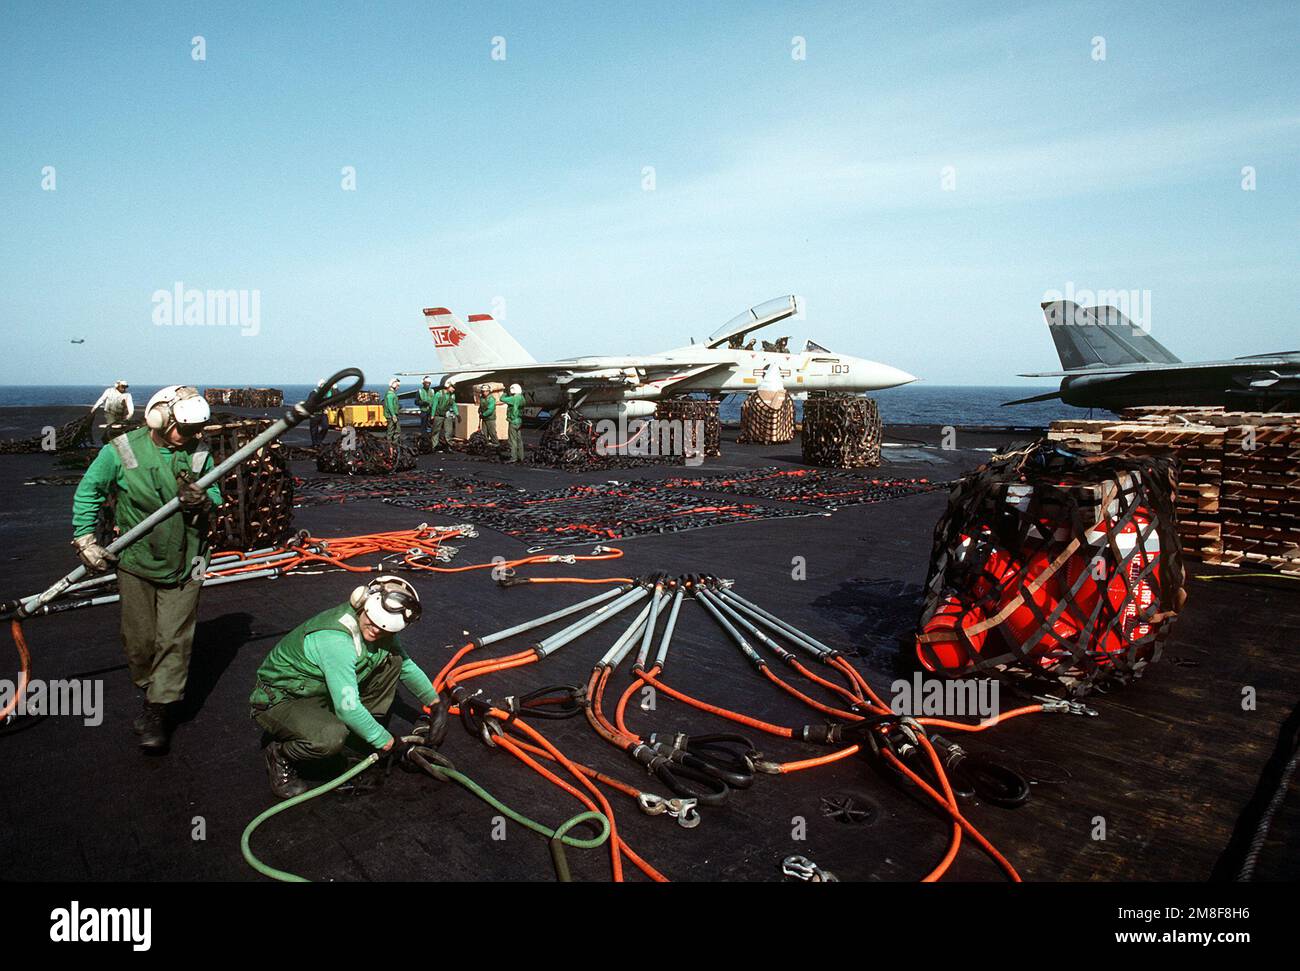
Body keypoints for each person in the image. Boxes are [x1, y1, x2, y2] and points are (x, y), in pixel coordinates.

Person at [71, 385, 222, 752]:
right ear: (159, 418)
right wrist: (86, 540)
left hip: (190, 560)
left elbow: (217, 498)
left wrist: (202, 502)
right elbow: (89, 492)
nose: (194, 436)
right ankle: (149, 684)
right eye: (185, 429)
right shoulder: (120, 450)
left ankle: (158, 709)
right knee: (139, 640)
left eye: (197, 429)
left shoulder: (200, 453)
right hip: (137, 560)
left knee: (175, 638)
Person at [249, 576, 448, 799]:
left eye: (384, 629)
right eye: (371, 622)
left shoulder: (381, 631)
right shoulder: (336, 640)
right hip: (282, 698)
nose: (375, 631)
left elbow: (406, 666)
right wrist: (389, 743)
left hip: (319, 691)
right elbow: (348, 707)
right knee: (330, 737)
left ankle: (359, 733)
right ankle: (280, 755)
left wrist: (436, 703)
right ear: (362, 602)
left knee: (393, 661)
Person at [500, 383, 526, 464]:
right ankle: (521, 457)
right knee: (519, 440)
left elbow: (502, 399)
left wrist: (504, 393)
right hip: (519, 420)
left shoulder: (513, 398)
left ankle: (513, 457)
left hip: (513, 421)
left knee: (512, 440)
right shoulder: (522, 398)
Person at [308, 378, 332, 448]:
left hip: (323, 413)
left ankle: (318, 441)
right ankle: (315, 443)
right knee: (314, 430)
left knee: (325, 426)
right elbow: (310, 403)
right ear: (320, 385)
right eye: (323, 384)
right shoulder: (313, 393)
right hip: (315, 413)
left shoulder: (325, 394)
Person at [477, 384, 498, 450]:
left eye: (486, 391)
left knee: (492, 432)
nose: (484, 393)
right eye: (483, 391)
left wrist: (483, 414)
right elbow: (481, 406)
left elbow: (490, 410)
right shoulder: (482, 398)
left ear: (489, 391)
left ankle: (496, 443)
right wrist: (479, 411)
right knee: (484, 432)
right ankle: (485, 443)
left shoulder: (491, 399)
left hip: (490, 418)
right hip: (484, 418)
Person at [416, 376, 436, 442]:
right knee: (423, 426)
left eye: (429, 383)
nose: (427, 384)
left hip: (431, 411)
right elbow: (416, 402)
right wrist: (423, 403)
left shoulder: (432, 391)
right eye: (426, 383)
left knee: (431, 425)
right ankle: (424, 439)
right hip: (424, 411)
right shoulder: (420, 391)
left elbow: (435, 401)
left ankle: (430, 439)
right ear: (423, 383)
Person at [384, 379, 402, 444]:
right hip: (391, 416)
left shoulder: (391, 394)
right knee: (392, 431)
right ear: (394, 385)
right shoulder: (390, 395)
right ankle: (391, 445)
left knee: (395, 430)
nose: (398, 387)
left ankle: (393, 445)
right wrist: (393, 415)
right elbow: (390, 406)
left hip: (392, 415)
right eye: (397, 386)